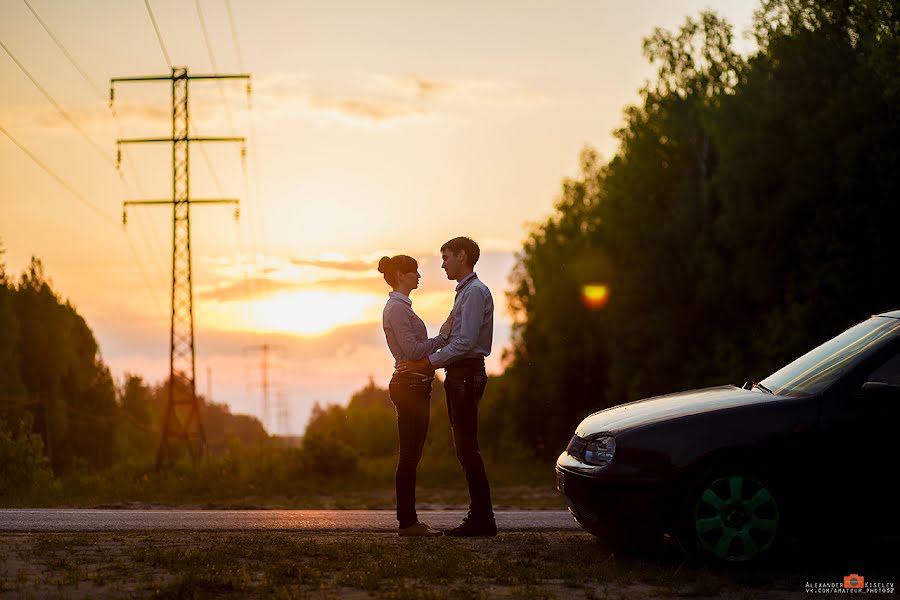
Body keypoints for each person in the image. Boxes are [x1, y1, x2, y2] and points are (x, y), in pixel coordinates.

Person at [399, 237, 496, 537]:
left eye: (446, 257)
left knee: (467, 448)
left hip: (466, 375)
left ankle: (482, 519)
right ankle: (481, 517)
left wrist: (426, 363)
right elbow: (449, 333)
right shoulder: (466, 293)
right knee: (464, 448)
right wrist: (427, 356)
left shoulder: (475, 293)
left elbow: (464, 342)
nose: (442, 264)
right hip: (459, 375)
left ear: (462, 256)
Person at [378, 254, 451, 537]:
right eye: (414, 271)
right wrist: (443, 337)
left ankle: (408, 521)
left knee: (412, 454)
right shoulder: (396, 309)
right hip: (409, 387)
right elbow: (411, 350)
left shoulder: (402, 307)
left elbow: (416, 349)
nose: (419, 276)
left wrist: (431, 347)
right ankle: (407, 522)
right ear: (399, 274)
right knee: (409, 455)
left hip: (415, 385)